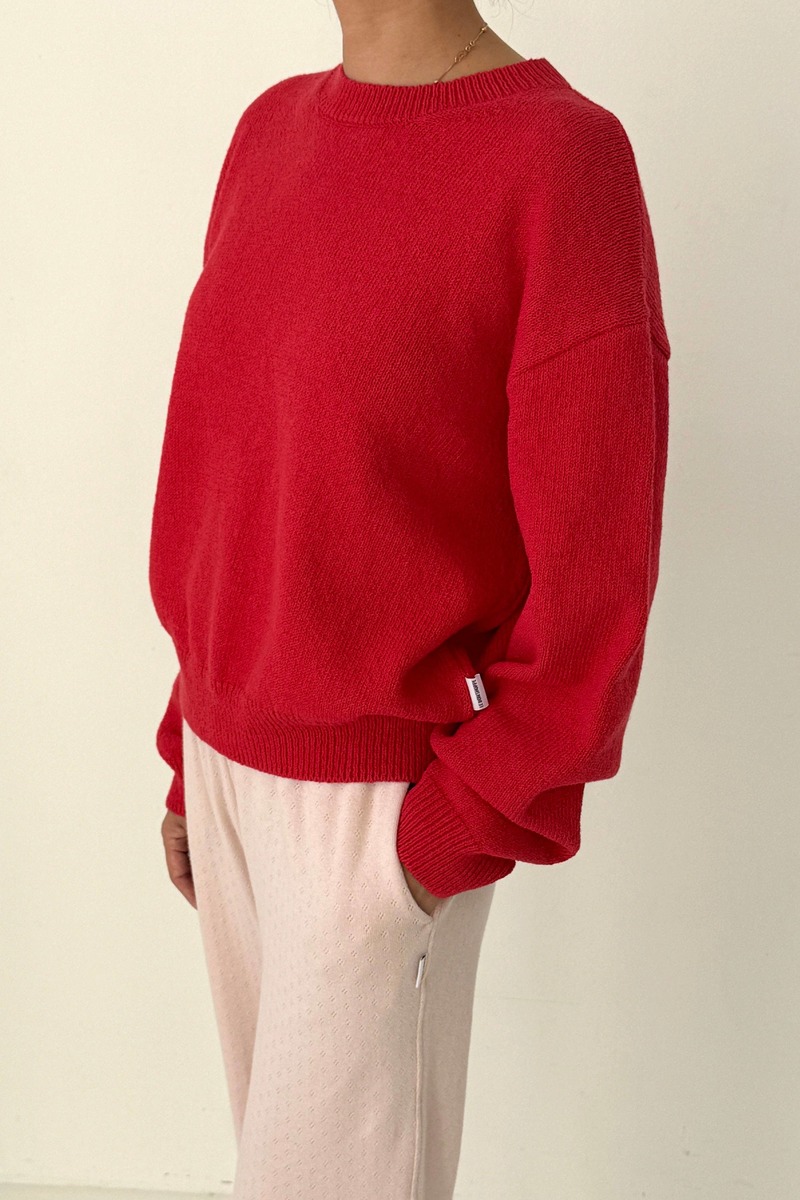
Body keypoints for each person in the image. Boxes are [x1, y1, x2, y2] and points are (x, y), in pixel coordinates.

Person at [148, 2, 671, 1196]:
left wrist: (444, 835)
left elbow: (597, 577)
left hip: (376, 811)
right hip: (229, 776)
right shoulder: (268, 133)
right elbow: (236, 470)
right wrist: (191, 747)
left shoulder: (558, 159)